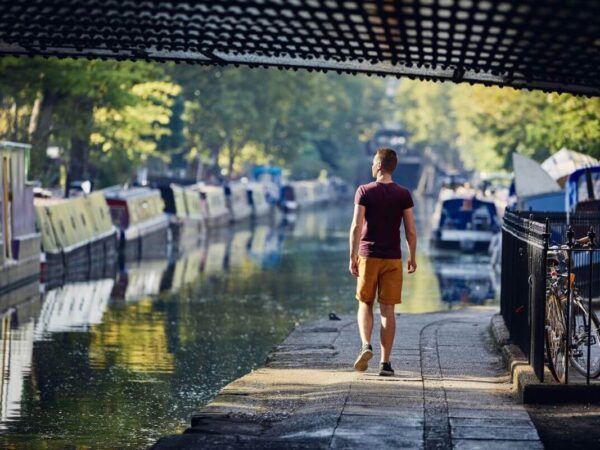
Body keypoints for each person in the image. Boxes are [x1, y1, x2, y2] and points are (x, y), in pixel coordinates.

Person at [348, 148, 417, 376]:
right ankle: (385, 364)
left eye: (372, 163)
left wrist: (352, 255)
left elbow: (357, 226)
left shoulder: (364, 191)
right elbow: (411, 230)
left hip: (368, 255)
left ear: (378, 166)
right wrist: (412, 257)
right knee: (388, 310)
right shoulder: (403, 194)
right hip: (393, 258)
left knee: (365, 303)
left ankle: (366, 345)